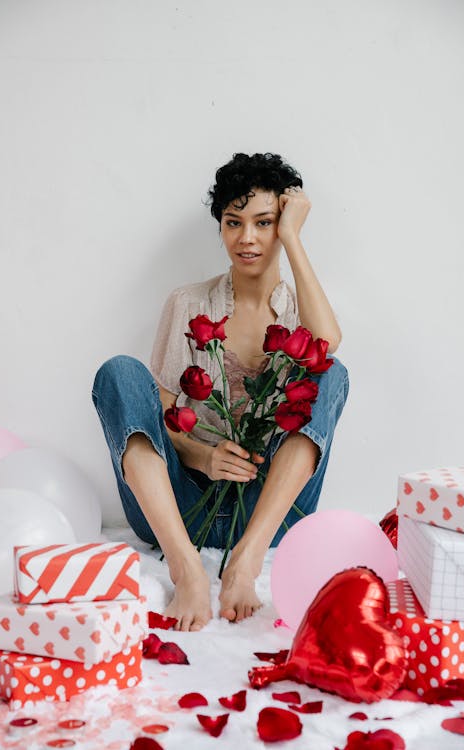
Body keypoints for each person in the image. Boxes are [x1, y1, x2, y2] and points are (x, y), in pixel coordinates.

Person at [92, 152, 348, 632]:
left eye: (264, 222)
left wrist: (292, 236)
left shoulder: (300, 313)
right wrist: (203, 456)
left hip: (268, 516)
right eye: (233, 222)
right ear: (221, 228)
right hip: (181, 508)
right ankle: (185, 567)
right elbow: (162, 416)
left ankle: (245, 561)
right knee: (120, 373)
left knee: (333, 373)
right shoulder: (188, 303)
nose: (246, 238)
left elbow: (327, 344)